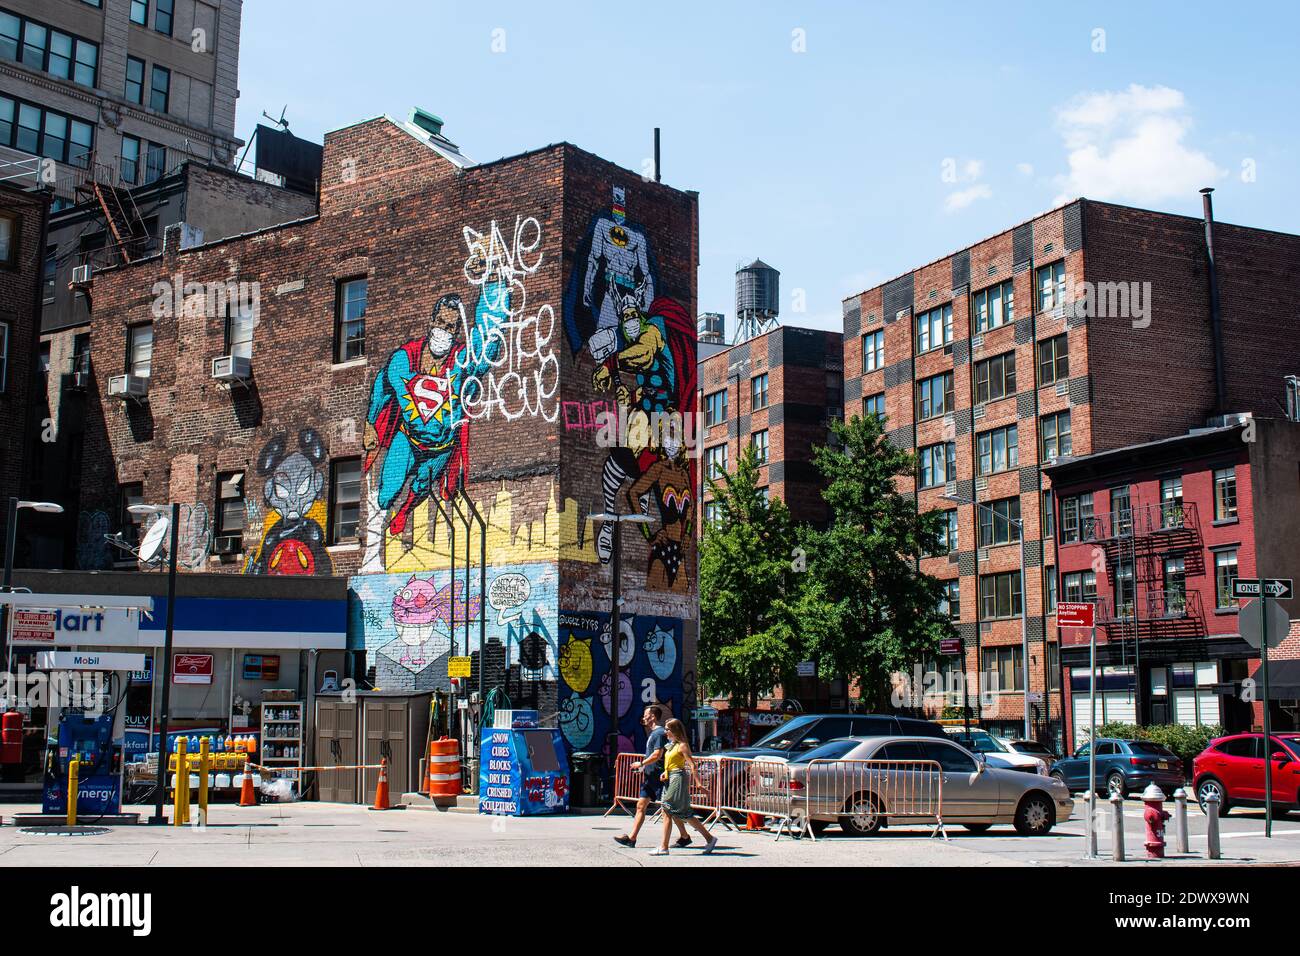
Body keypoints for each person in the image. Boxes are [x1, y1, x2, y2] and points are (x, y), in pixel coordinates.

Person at [614, 705, 690, 848]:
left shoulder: (660, 733)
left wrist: (641, 763)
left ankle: (686, 836)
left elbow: (657, 754)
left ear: (653, 717)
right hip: (650, 777)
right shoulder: (653, 733)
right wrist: (643, 766)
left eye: (646, 714)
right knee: (640, 806)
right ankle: (632, 838)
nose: (644, 717)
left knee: (669, 810)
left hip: (660, 777)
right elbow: (652, 755)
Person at [651, 718, 718, 856]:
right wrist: (666, 772)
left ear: (674, 730)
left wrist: (699, 783)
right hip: (670, 778)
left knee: (667, 809)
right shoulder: (672, 745)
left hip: (678, 779)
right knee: (684, 814)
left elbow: (692, 765)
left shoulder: (682, 745)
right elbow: (672, 762)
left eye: (667, 729)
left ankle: (664, 847)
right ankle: (710, 839)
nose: (665, 732)